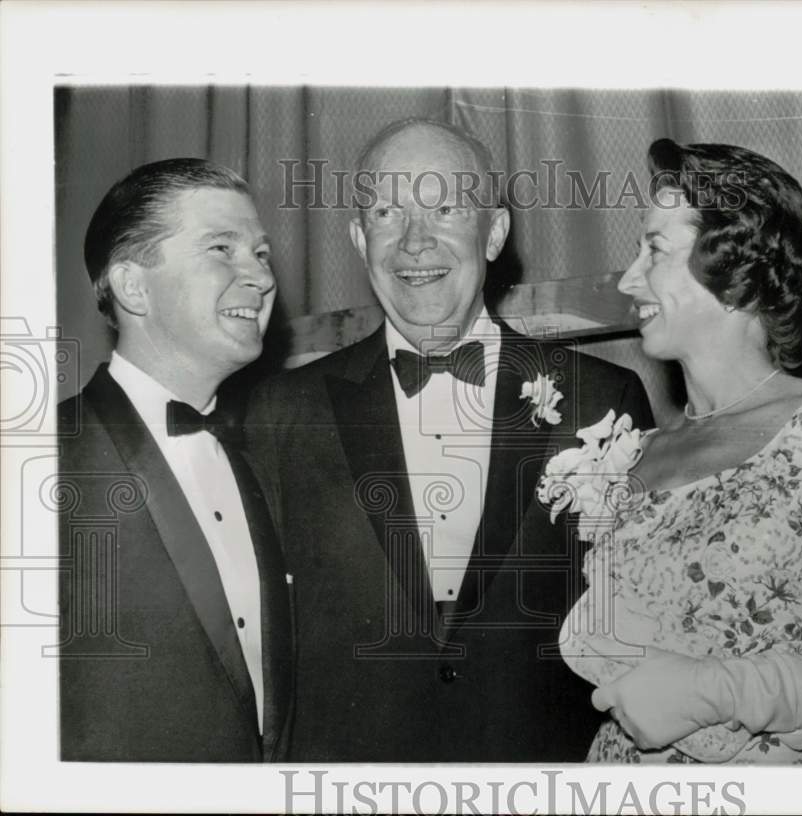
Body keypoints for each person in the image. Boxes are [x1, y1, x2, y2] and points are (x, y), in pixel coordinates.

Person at [244, 118, 654, 762]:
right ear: (358, 237)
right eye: (386, 212)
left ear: (494, 233)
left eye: (445, 209)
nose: (414, 241)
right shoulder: (280, 412)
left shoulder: (602, 401)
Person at [558, 139, 802, 764]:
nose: (629, 280)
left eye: (653, 249)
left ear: (736, 274)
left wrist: (724, 691)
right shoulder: (631, 452)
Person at [58, 158, 293, 761]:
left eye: (261, 255)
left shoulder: (271, 453)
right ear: (134, 286)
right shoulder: (41, 461)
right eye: (222, 248)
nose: (261, 279)